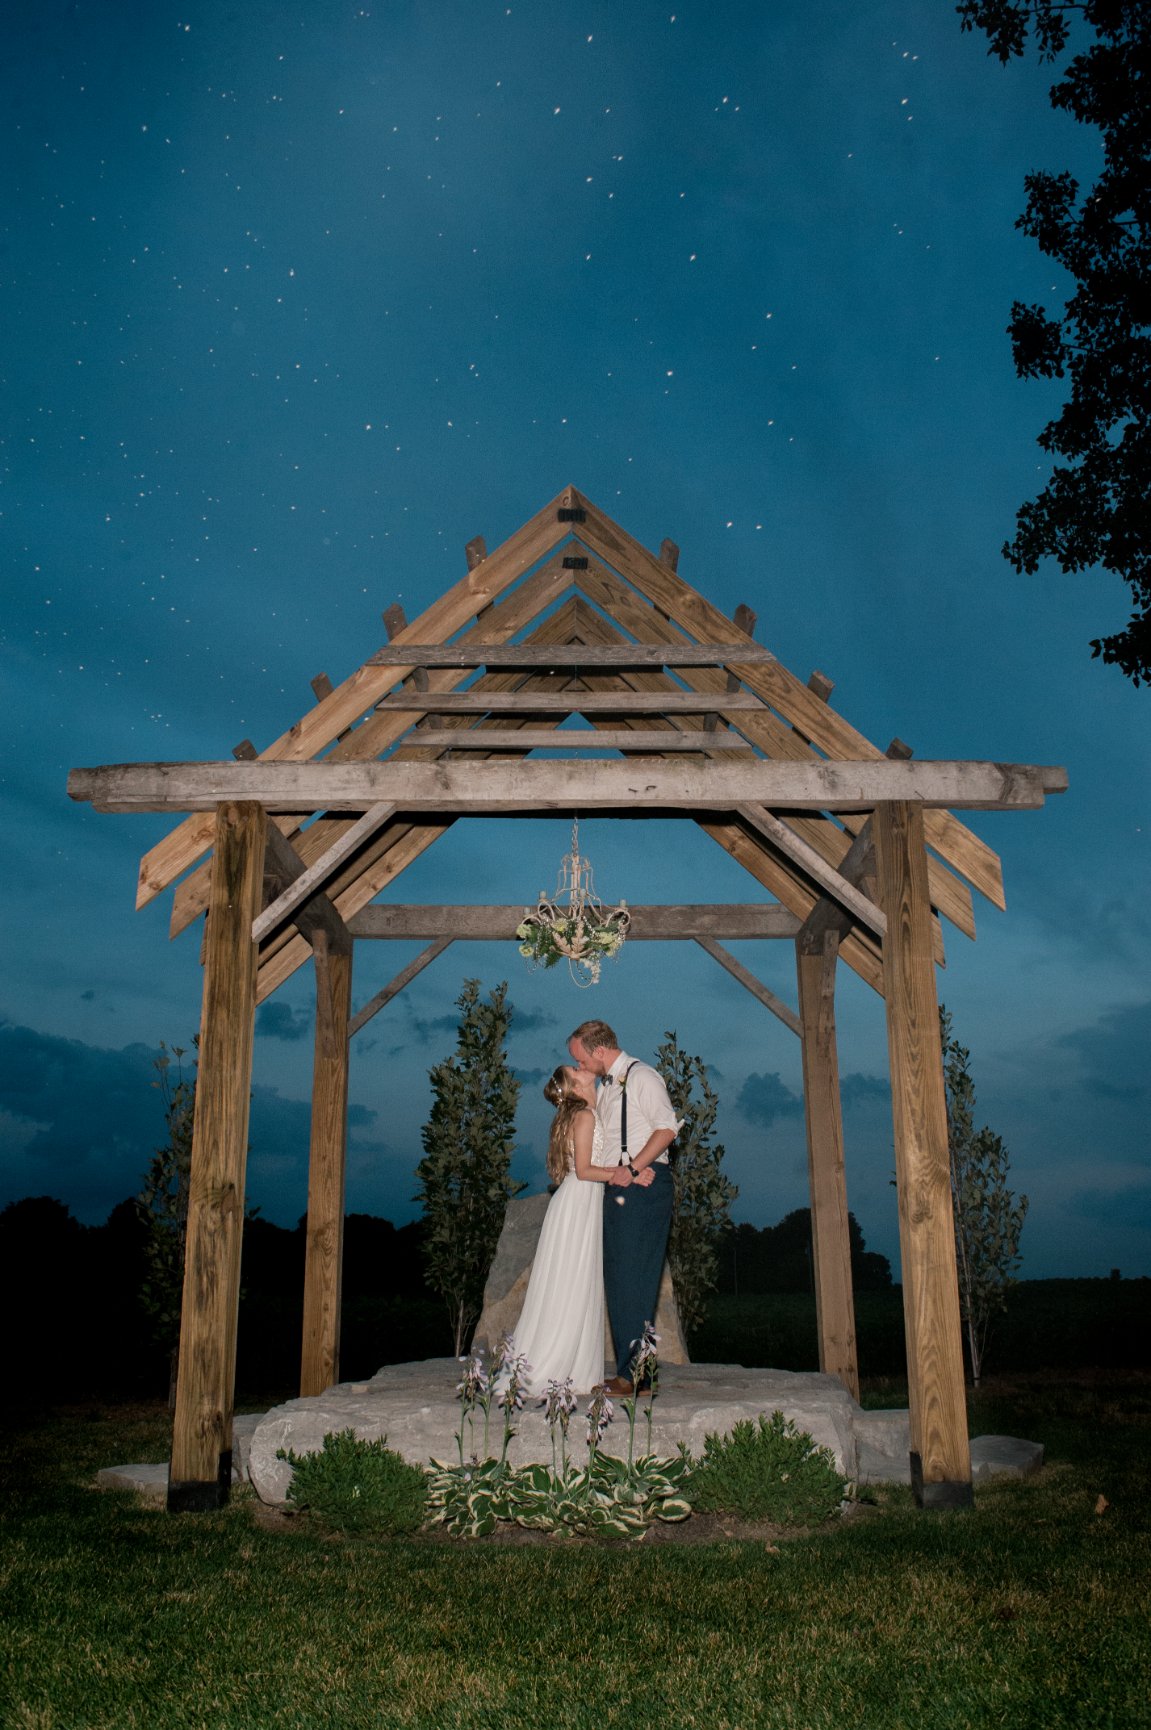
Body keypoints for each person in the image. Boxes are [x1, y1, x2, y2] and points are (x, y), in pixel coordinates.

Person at [507, 1065, 650, 1397]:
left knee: (578, 1282)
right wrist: (630, 1172)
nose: (581, 1068)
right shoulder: (584, 1116)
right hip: (577, 1201)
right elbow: (584, 1170)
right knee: (570, 1281)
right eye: (575, 1069)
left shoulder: (589, 1111)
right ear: (572, 1087)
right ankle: (553, 1367)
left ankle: (575, 1369)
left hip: (582, 1202)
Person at [567, 1019, 679, 1397]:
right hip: (620, 1188)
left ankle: (636, 1377)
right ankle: (632, 1373)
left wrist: (634, 1168)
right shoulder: (608, 1084)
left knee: (635, 1280)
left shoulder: (643, 1077)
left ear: (599, 1051)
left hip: (642, 1190)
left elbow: (667, 1129)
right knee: (619, 1280)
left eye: (580, 1059)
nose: (580, 1066)